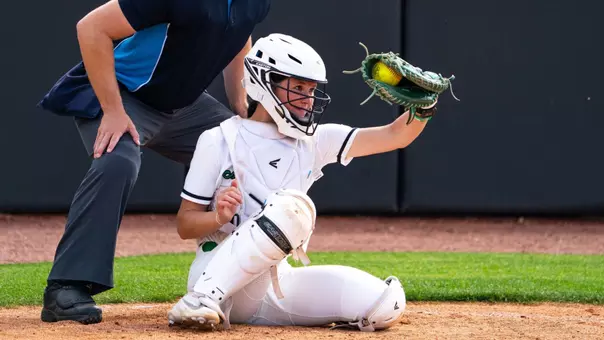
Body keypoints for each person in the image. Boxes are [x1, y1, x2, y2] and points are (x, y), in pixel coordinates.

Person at [166, 33, 438, 332]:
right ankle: (199, 300)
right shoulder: (218, 139)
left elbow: (395, 136)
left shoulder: (314, 140)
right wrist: (218, 217)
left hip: (274, 284)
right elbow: (184, 224)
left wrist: (423, 106)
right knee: (293, 208)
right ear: (264, 81)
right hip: (217, 280)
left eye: (311, 89)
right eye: (297, 87)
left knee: (385, 304)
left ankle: (216, 304)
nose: (307, 98)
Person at [37, 0, 272, 325]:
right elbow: (91, 28)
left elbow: (238, 37)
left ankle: (228, 279)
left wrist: (239, 106)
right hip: (123, 94)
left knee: (245, 149)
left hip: (183, 107)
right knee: (118, 160)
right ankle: (66, 287)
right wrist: (113, 110)